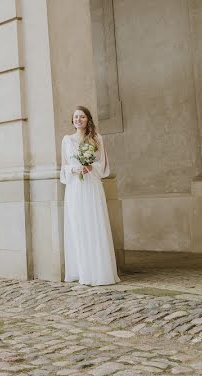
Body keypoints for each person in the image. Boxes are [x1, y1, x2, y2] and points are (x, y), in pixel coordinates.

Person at [60, 106, 119, 286]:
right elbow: (63, 167)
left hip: (92, 186)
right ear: (73, 120)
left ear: (88, 120)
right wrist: (74, 168)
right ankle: (82, 271)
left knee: (94, 224)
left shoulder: (97, 138)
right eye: (76, 117)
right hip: (75, 188)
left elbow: (103, 164)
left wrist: (91, 168)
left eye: (82, 117)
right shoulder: (66, 140)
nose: (79, 120)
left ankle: (99, 271)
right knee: (78, 226)